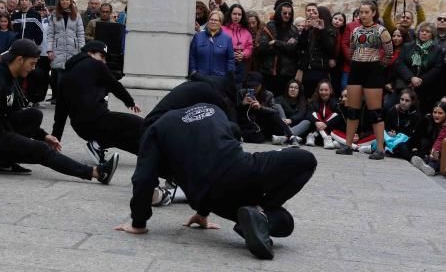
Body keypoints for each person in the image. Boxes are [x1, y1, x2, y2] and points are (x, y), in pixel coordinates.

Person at [117, 102, 317, 261]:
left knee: (285, 221)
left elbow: (143, 179)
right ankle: (262, 214)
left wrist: (139, 223)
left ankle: (256, 218)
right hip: (241, 171)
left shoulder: (156, 129)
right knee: (306, 162)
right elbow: (234, 131)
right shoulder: (212, 109)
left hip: (211, 199)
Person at [0, 39, 120, 183]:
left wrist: (44, 136)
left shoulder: (8, 76)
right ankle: (97, 173)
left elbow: (14, 113)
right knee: (41, 151)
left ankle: (4, 163)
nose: (33, 68)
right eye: (32, 63)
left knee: (34, 115)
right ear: (19, 60)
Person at [52, 40, 143, 164]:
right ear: (90, 53)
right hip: (97, 120)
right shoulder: (96, 65)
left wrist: (55, 139)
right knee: (139, 124)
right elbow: (115, 85)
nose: (104, 62)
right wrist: (130, 102)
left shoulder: (65, 77)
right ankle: (97, 145)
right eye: (102, 57)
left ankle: (144, 155)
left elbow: (60, 113)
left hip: (81, 128)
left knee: (119, 137)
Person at [335, 1, 393, 158]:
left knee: (375, 112)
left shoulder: (381, 31)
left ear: (373, 13)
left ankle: (380, 149)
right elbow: (352, 50)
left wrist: (379, 66)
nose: (363, 15)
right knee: (352, 110)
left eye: (367, 12)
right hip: (356, 69)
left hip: (373, 70)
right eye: (361, 12)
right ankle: (348, 145)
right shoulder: (355, 31)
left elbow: (389, 53)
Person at [9, 0, 50, 104]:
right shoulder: (15, 16)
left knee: (31, 74)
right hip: (17, 50)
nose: (23, 2)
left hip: (30, 49)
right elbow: (11, 32)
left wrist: (35, 46)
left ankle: (32, 98)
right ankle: (17, 98)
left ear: (29, 2)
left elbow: (39, 32)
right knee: (17, 74)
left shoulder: (35, 15)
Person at [237, 72, 294, 145]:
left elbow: (275, 111)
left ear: (261, 85)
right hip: (248, 124)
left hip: (263, 122)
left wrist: (260, 107)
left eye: (256, 86)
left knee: (274, 116)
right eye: (251, 86)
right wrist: (243, 104)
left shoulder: (268, 94)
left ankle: (291, 136)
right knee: (259, 137)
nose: (253, 88)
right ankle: (277, 137)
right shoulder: (241, 93)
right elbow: (236, 111)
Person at [48, 0, 86, 101]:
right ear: (59, 2)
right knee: (59, 78)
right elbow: (50, 34)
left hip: (73, 50)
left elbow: (80, 34)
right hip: (58, 49)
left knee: (72, 77)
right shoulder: (54, 15)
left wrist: (82, 50)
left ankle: (71, 100)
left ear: (70, 1)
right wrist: (50, 50)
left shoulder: (77, 15)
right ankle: (60, 101)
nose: (64, 1)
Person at [398, 21, 445, 109]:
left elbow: (437, 68)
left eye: (427, 31)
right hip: (406, 84)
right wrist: (411, 78)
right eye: (422, 31)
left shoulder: (437, 49)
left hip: (426, 87)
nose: (424, 33)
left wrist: (420, 81)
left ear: (432, 34)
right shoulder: (407, 46)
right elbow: (400, 63)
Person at [296, 3, 337, 99]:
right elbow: (301, 46)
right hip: (308, 68)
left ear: (322, 15)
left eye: (315, 12)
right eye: (312, 12)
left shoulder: (330, 30)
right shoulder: (311, 30)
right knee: (307, 96)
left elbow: (330, 48)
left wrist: (322, 31)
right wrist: (305, 30)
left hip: (321, 69)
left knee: (321, 97)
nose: (312, 14)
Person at [259, 0, 298, 96]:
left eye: (289, 13)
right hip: (270, 71)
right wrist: (285, 46)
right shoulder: (269, 27)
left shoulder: (294, 29)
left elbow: (294, 49)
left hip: (287, 72)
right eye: (284, 13)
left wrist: (276, 42)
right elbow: (263, 47)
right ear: (279, 12)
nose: (287, 16)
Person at [410, 100, 446, 175]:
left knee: (435, 161)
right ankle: (424, 163)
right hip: (431, 152)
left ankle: (430, 167)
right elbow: (417, 136)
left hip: (444, 153)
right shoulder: (428, 120)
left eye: (440, 113)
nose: (436, 115)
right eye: (435, 112)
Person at [188, 11, 234, 77]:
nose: (213, 22)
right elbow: (192, 56)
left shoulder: (227, 39)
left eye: (216, 20)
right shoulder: (198, 37)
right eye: (211, 19)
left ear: (220, 23)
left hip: (219, 79)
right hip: (200, 78)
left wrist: (229, 76)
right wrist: (193, 71)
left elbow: (230, 59)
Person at [384, 88, 423, 159]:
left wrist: (397, 134)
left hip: (406, 140)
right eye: (402, 99)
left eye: (407, 101)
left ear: (412, 102)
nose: (403, 102)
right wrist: (390, 132)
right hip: (391, 138)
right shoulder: (393, 110)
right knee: (379, 139)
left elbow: (413, 133)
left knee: (402, 147)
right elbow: (387, 127)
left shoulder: (416, 115)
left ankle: (413, 158)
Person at [223, 4, 254, 82]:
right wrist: (230, 54)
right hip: (224, 63)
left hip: (240, 65)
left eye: (239, 14)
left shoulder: (246, 32)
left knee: (238, 88)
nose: (236, 17)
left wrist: (243, 54)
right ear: (230, 14)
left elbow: (249, 47)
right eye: (234, 14)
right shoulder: (222, 29)